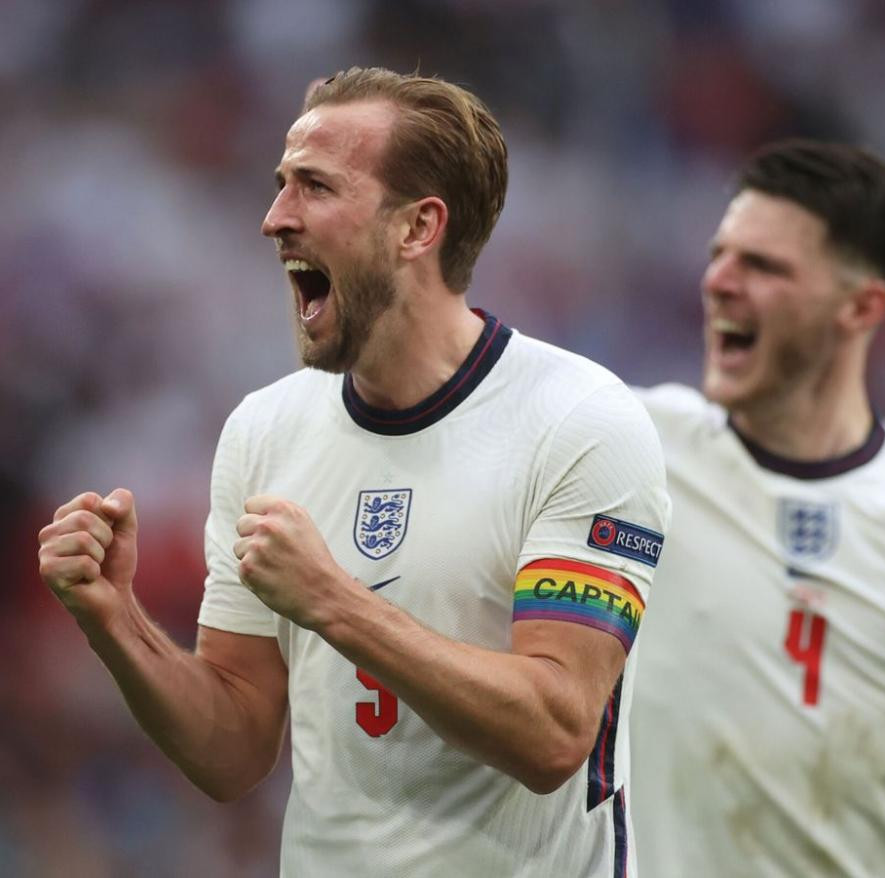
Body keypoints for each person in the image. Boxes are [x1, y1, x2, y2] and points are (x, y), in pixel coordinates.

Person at [38, 67, 669, 876]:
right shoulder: (265, 432)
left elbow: (554, 732)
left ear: (417, 228)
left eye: (314, 187)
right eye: (279, 185)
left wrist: (336, 601)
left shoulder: (580, 422)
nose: (274, 219)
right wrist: (114, 619)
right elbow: (234, 749)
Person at [629, 140, 885, 876]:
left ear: (861, 306)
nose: (717, 282)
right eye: (720, 254)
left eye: (761, 266)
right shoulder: (632, 450)